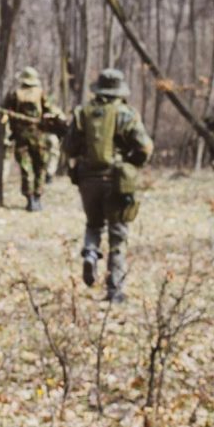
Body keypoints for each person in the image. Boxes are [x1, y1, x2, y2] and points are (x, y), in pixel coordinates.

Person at [63, 69, 153, 303]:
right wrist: (131, 165)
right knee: (118, 233)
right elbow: (145, 147)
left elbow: (69, 147)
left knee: (94, 224)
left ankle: (91, 253)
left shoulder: (83, 113)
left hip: (87, 180)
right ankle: (114, 290)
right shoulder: (127, 114)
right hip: (116, 181)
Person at [0, 66, 64, 211]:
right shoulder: (40, 93)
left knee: (27, 169)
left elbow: (6, 114)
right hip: (38, 136)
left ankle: (30, 199)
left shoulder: (15, 94)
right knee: (39, 167)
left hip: (22, 137)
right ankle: (37, 197)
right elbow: (50, 110)